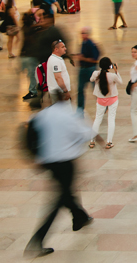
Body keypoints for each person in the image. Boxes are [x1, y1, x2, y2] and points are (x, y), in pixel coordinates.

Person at [24, 91, 97, 258]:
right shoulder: (70, 114)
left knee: (66, 192)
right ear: (65, 98)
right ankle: (37, 241)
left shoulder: (43, 115)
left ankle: (80, 217)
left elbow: (31, 133)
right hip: (65, 162)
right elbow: (85, 135)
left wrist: (35, 156)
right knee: (60, 199)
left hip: (49, 162)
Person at [88, 57, 121, 149]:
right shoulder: (112, 76)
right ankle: (109, 142)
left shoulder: (96, 73)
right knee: (111, 119)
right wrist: (116, 71)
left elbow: (91, 80)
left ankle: (92, 141)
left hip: (100, 99)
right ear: (109, 66)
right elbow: (120, 82)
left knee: (97, 119)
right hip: (112, 99)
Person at [74, 27, 100, 114]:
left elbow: (95, 59)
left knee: (96, 90)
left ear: (88, 34)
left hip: (91, 69)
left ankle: (103, 106)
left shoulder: (91, 44)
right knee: (80, 89)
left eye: (84, 33)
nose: (82, 35)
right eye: (81, 33)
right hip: (83, 69)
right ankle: (80, 109)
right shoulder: (83, 43)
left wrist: (83, 58)